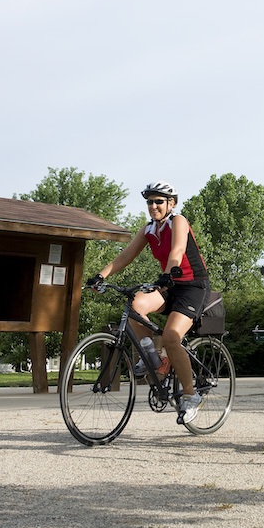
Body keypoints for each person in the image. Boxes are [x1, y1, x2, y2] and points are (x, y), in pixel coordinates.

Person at [86, 181, 210, 424]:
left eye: (158, 202)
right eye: (150, 202)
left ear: (171, 204)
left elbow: (177, 250)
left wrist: (169, 271)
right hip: (168, 283)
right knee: (135, 305)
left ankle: (190, 395)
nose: (153, 206)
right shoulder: (149, 229)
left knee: (172, 336)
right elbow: (125, 256)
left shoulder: (178, 221)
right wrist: (101, 275)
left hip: (192, 285)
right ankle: (154, 358)